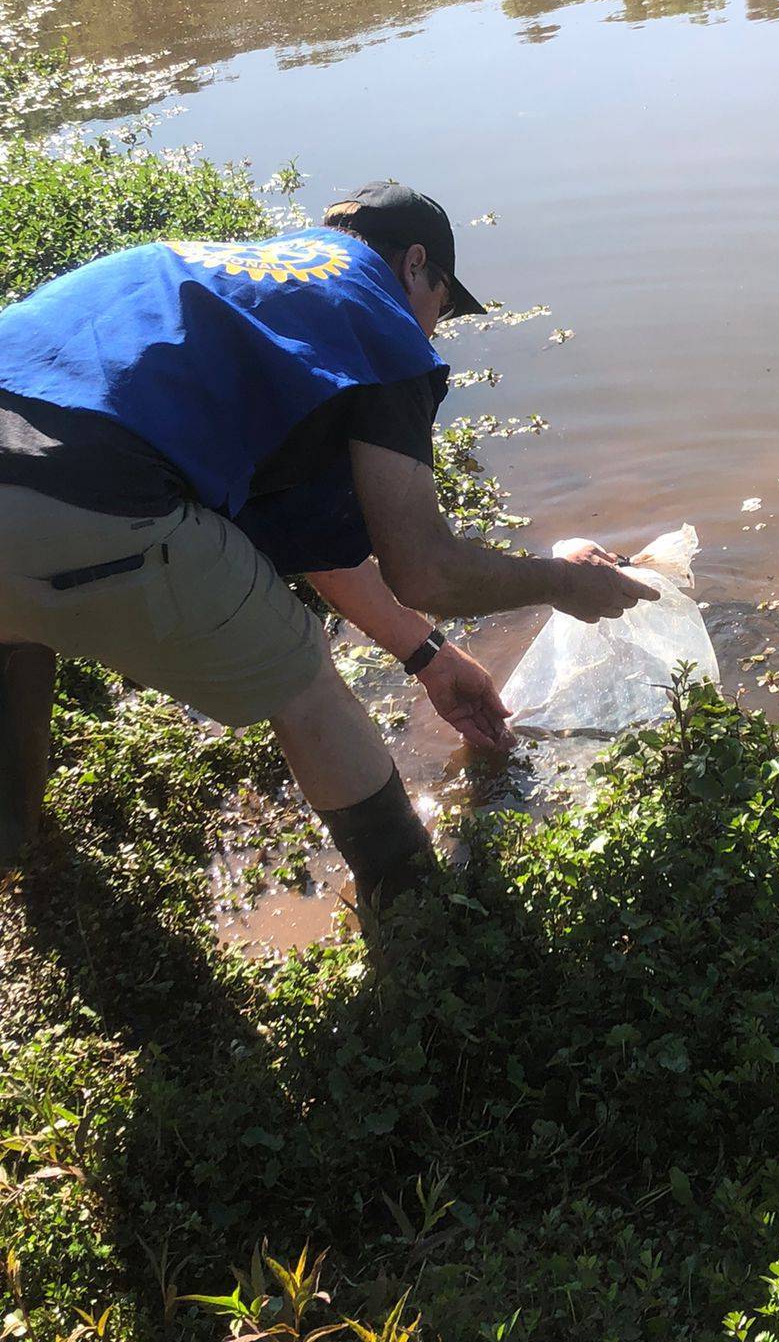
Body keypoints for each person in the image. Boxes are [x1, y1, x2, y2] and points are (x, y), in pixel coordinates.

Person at [0, 180, 656, 904]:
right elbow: (428, 573)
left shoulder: (216, 278)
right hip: (88, 493)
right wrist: (565, 583)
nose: (433, 330)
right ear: (415, 265)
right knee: (306, 681)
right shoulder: (376, 318)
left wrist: (430, 656)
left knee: (15, 630)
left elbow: (310, 541)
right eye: (442, 305)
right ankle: (415, 912)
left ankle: (14, 846)